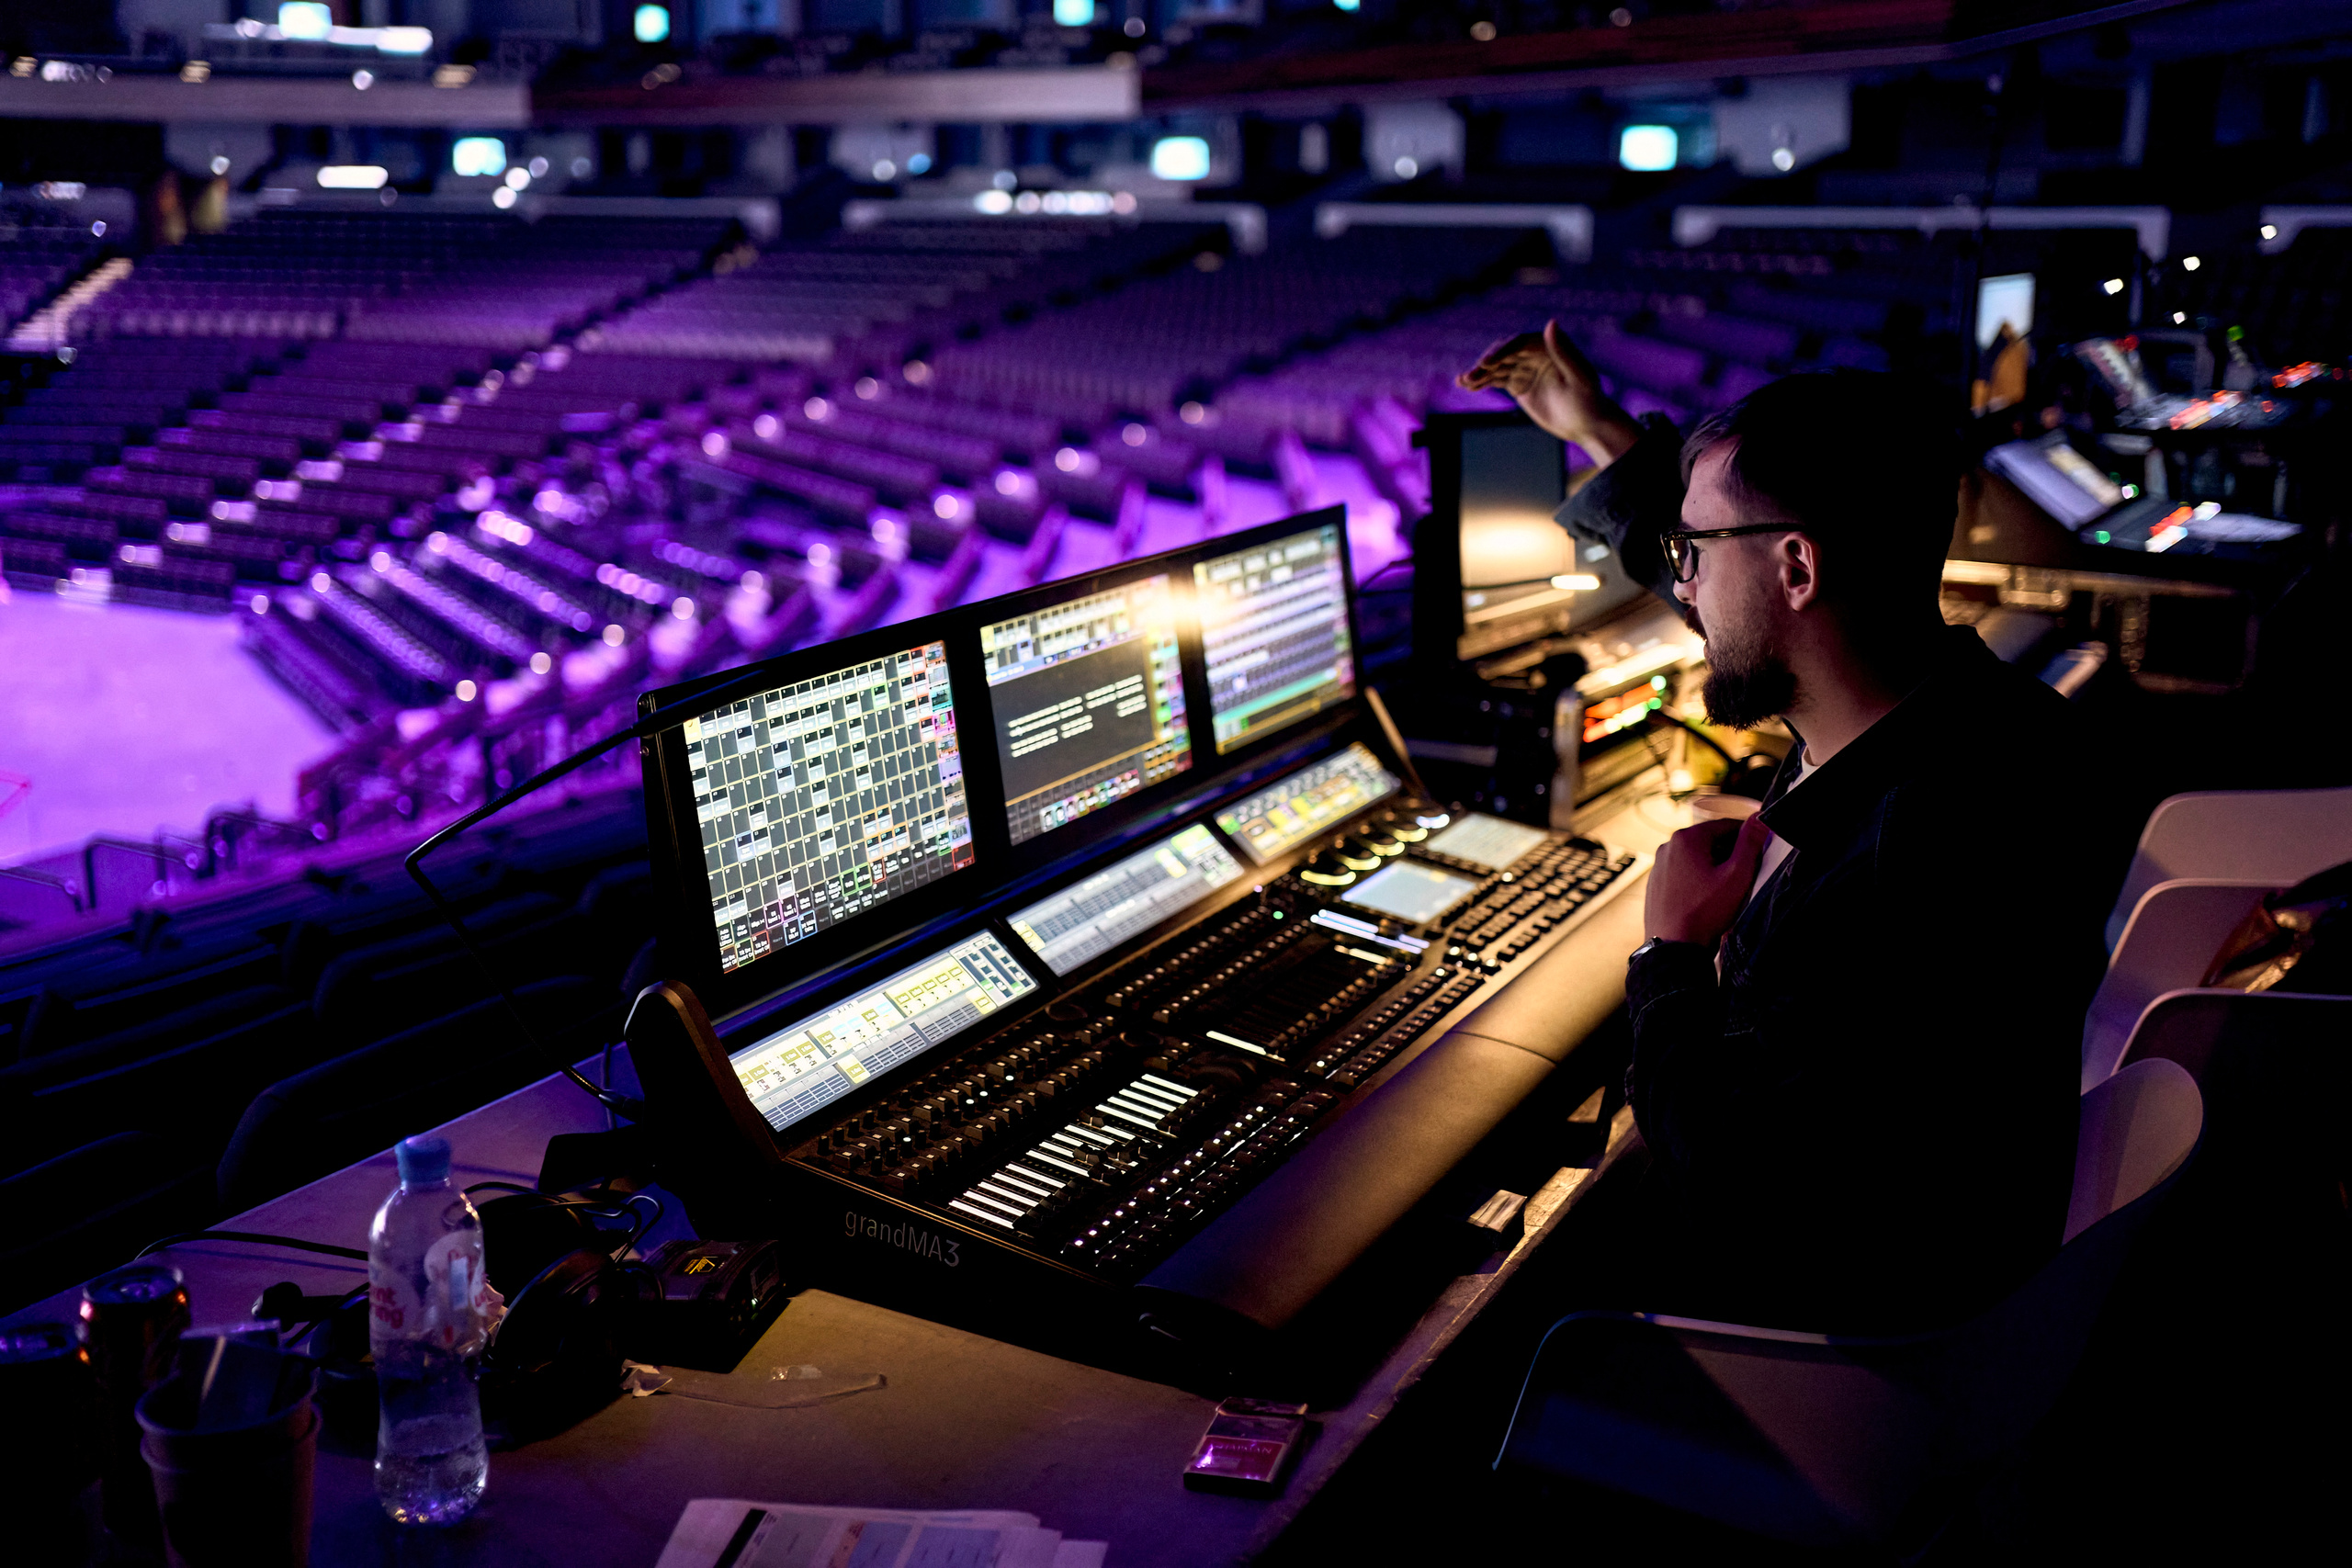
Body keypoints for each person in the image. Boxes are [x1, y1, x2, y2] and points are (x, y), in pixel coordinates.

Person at [1455, 324, 2127, 1331]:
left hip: (1824, 1345)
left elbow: (1735, 1194)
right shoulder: (1987, 719)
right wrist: (1596, 429)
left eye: (1693, 555)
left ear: (1799, 568)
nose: (1679, 585)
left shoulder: (1913, 861)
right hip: (1949, 1248)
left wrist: (1669, 953)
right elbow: (1744, 612)